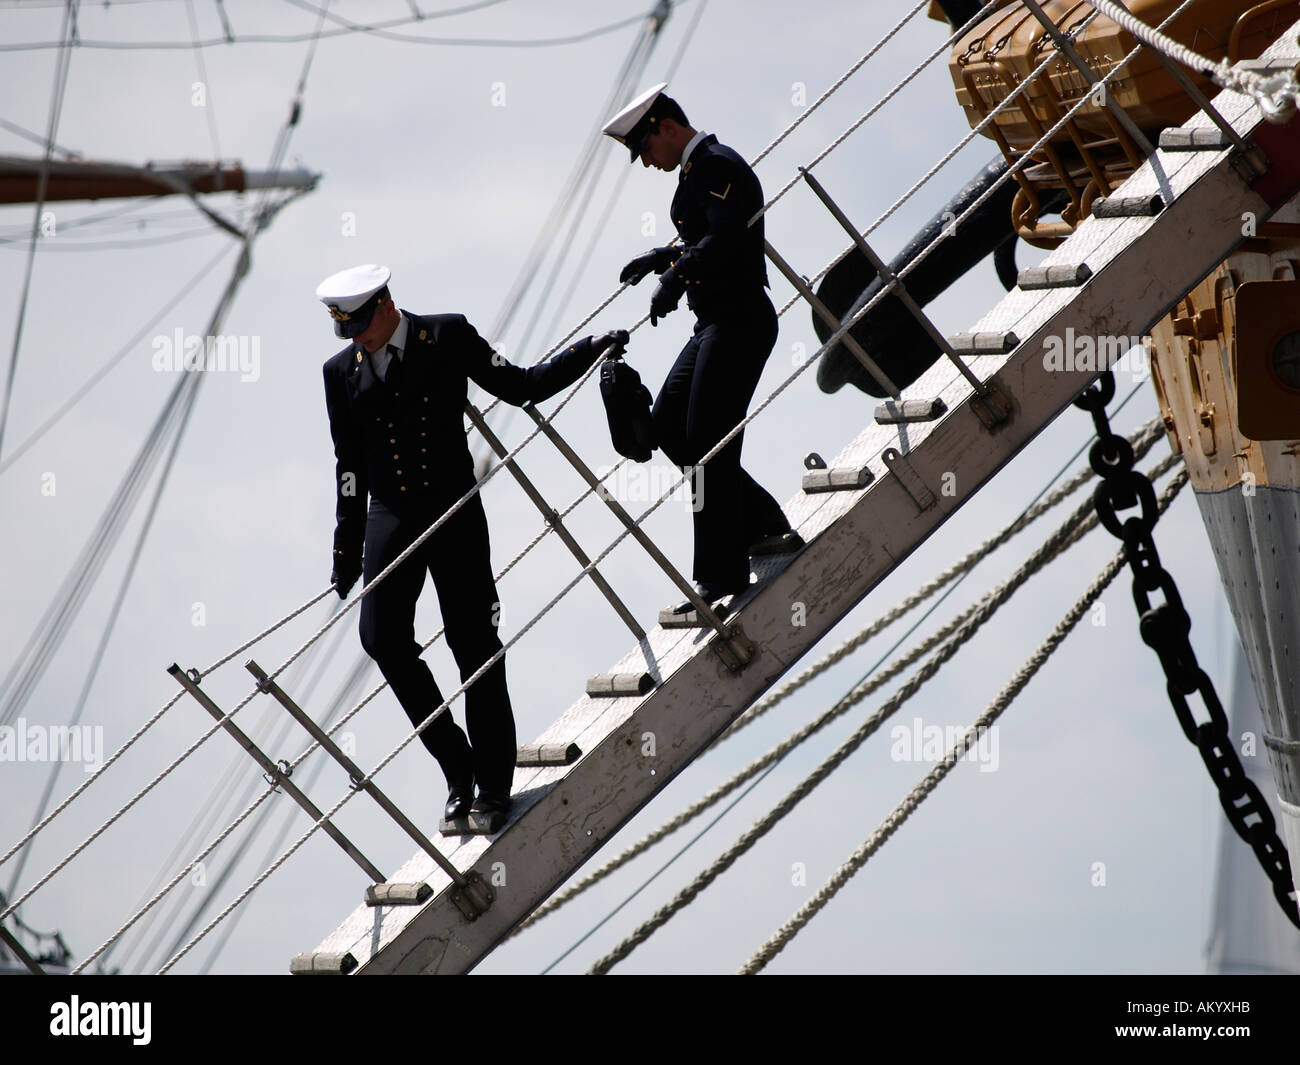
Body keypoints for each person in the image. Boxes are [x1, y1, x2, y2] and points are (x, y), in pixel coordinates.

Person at [319, 264, 624, 827]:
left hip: (453, 510)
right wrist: (345, 549)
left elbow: (521, 385)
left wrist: (589, 350)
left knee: (473, 642)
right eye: (347, 330)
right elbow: (350, 467)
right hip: (391, 517)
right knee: (381, 637)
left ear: (386, 304)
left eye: (361, 324)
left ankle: (492, 782)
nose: (356, 338)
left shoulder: (447, 334)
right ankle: (457, 768)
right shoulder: (340, 372)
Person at [602, 84, 803, 615]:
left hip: (739, 320)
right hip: (715, 323)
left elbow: (728, 238)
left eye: (645, 150)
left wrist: (677, 275)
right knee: (669, 428)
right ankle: (764, 524)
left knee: (707, 445)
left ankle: (718, 577)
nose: (646, 163)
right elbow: (708, 236)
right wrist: (663, 258)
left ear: (667, 128)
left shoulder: (716, 165)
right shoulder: (699, 173)